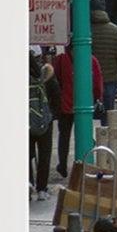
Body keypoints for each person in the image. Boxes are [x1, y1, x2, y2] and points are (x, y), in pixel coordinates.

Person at [48, 40, 100, 178]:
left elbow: (54, 79)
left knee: (64, 136)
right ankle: (85, 162)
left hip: (65, 105)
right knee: (85, 134)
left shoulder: (61, 60)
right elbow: (97, 83)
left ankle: (63, 164)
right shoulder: (91, 60)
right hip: (84, 105)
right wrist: (96, 98)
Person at [29, 48, 55, 196]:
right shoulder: (46, 75)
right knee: (44, 155)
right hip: (45, 121)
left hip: (26, 121)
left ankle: (28, 183)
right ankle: (42, 189)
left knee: (26, 154)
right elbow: (56, 95)